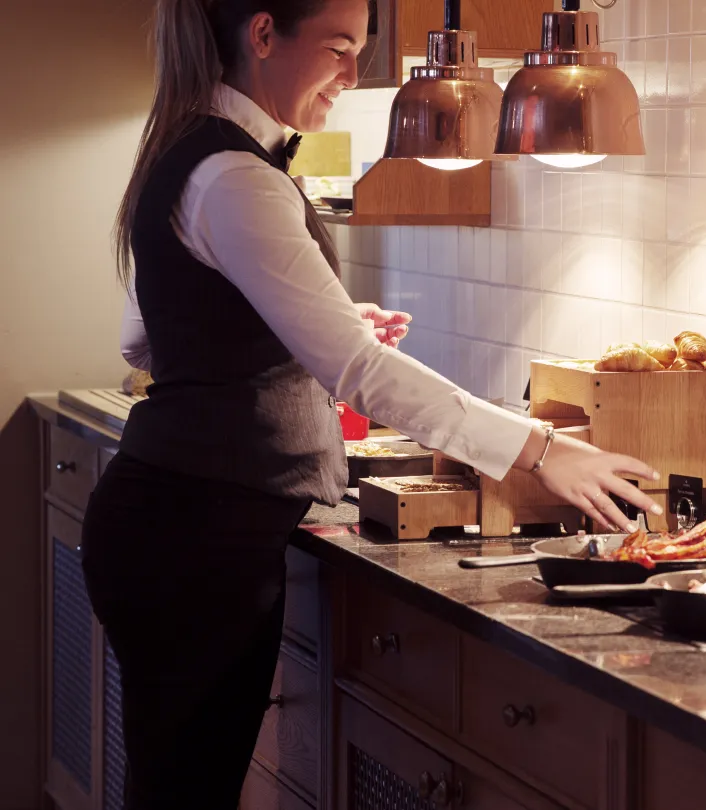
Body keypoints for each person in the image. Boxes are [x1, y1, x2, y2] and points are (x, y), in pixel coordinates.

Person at [82, 1, 660, 806]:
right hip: (195, 542)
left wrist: (296, 323)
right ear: (261, 35)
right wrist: (546, 449)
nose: (354, 74)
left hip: (170, 531)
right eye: (341, 48)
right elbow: (358, 373)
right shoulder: (238, 176)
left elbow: (146, 338)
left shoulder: (192, 153)